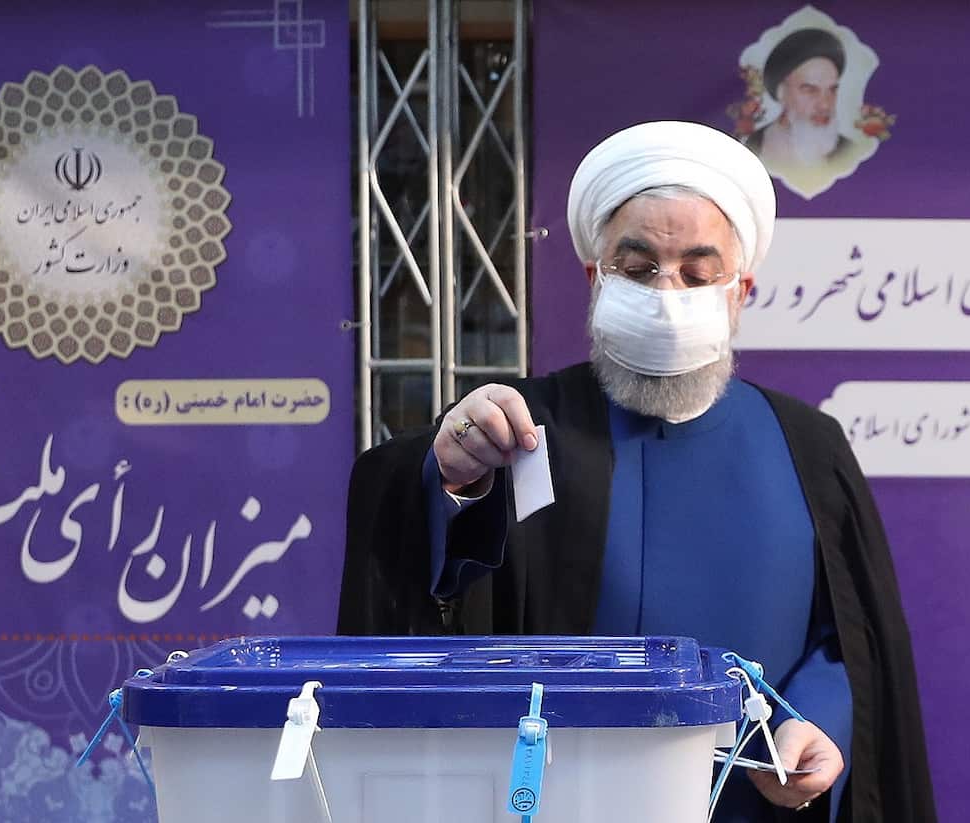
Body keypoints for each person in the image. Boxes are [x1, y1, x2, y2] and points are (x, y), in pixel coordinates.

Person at [338, 121, 936, 822]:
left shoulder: (808, 445)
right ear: (595, 279)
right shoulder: (517, 427)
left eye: (697, 272)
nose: (666, 291)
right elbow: (428, 578)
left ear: (740, 291)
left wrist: (815, 723)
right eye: (639, 267)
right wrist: (448, 476)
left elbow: (847, 641)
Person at [743, 28, 862, 177]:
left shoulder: (848, 151)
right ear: (781, 92)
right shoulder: (753, 146)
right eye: (810, 90)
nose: (825, 105)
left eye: (832, 90)